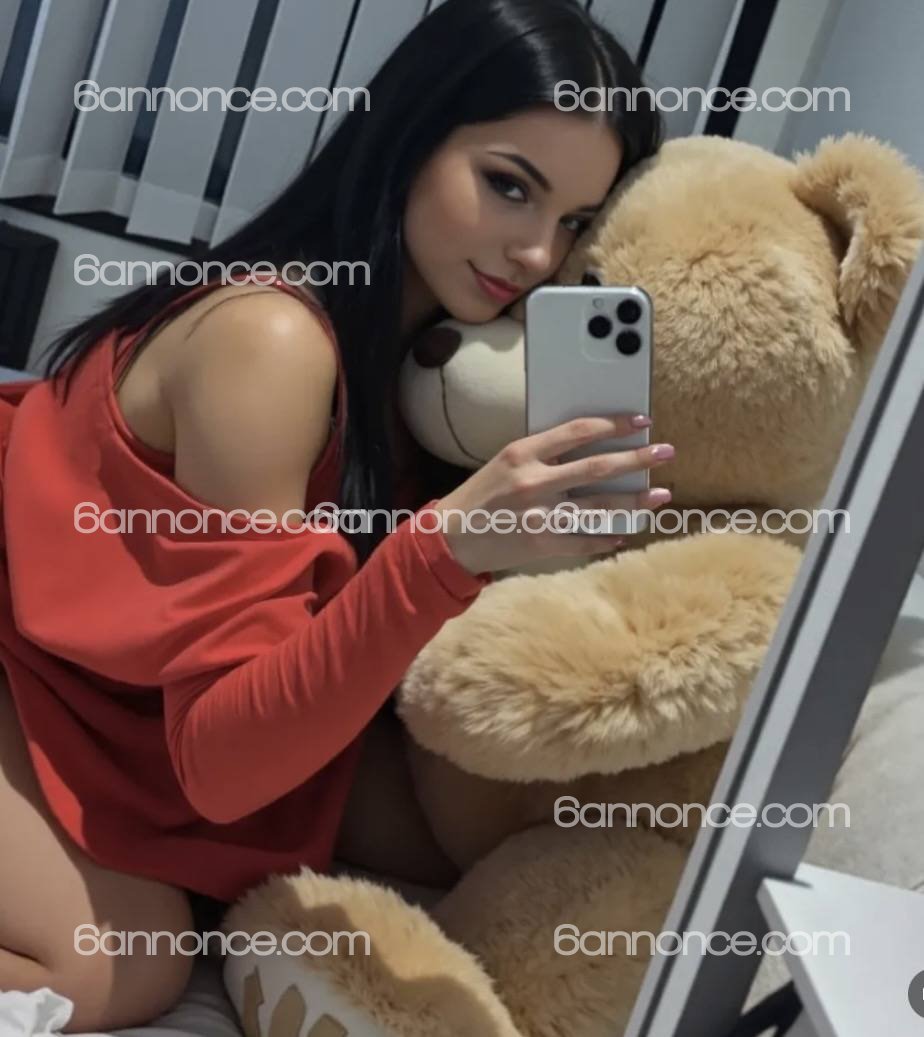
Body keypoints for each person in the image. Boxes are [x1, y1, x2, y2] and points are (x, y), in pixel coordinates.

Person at [0, 0, 674, 1029]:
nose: (538, 252)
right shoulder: (272, 341)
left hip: (95, 707)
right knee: (116, 961)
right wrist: (443, 550)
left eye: (575, 223)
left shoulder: (431, 380)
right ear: (410, 136)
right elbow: (222, 763)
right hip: (31, 668)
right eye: (508, 185)